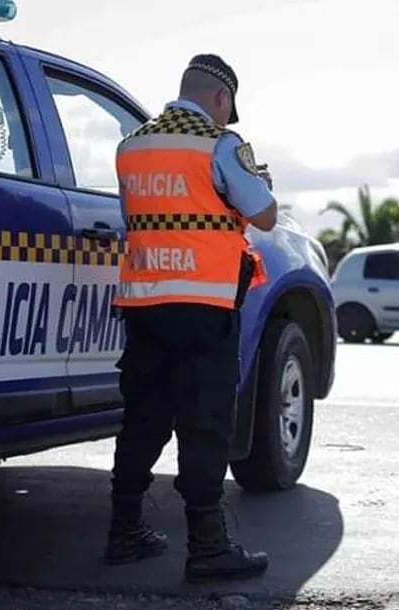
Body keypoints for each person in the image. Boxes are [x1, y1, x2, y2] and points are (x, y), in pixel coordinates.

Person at [104, 53, 278, 582]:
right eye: (228, 109)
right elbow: (265, 216)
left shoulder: (130, 146)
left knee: (143, 419)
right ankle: (208, 546)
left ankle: (123, 532)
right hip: (203, 306)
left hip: (144, 303)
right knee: (205, 424)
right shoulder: (219, 145)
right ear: (221, 99)